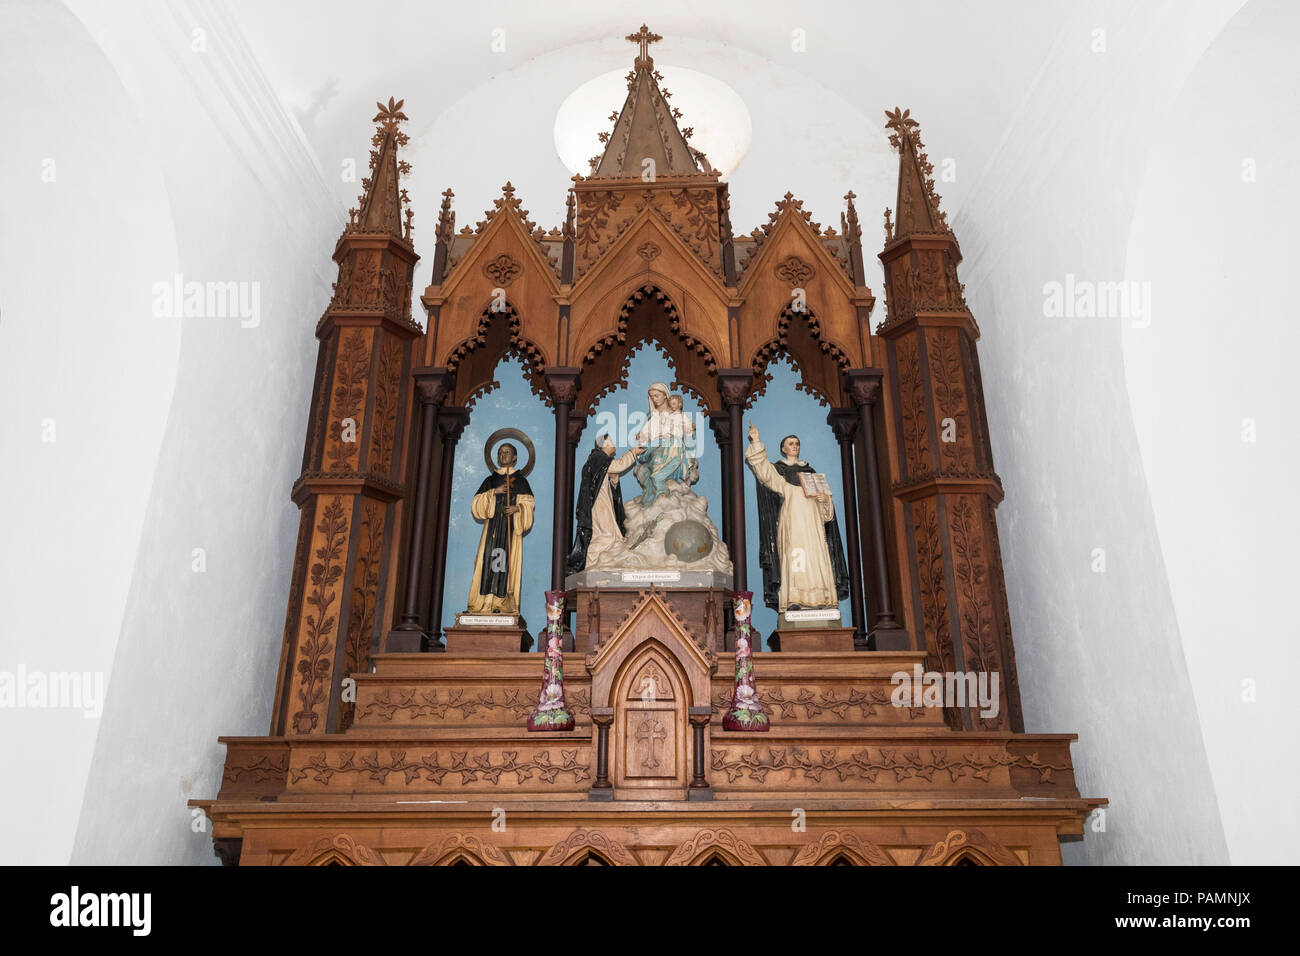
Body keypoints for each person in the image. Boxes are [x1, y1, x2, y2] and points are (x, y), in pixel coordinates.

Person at [745, 424, 850, 613]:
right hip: (793, 521)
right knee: (796, 557)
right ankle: (796, 599)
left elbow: (827, 513)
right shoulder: (781, 472)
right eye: (790, 443)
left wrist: (825, 499)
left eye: (797, 443)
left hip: (813, 523)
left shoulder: (811, 472)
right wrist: (757, 441)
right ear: (783, 448)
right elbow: (765, 472)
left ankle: (821, 598)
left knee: (817, 556)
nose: (795, 446)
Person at [466, 442, 535, 614]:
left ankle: (502, 603)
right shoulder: (490, 481)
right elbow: (476, 505)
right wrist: (493, 492)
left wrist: (518, 508)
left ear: (515, 457)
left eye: (507, 452)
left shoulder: (521, 482)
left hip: (509, 531)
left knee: (504, 563)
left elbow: (529, 503)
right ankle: (484, 602)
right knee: (487, 562)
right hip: (493, 530)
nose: (503, 455)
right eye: (500, 453)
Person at [566, 434, 645, 572]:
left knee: (609, 534)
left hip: (603, 502)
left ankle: (601, 563)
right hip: (598, 505)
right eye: (611, 441)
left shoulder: (601, 461)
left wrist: (613, 479)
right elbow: (619, 465)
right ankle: (592, 564)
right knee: (606, 535)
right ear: (604, 444)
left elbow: (606, 481)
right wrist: (634, 452)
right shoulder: (598, 458)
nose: (613, 443)